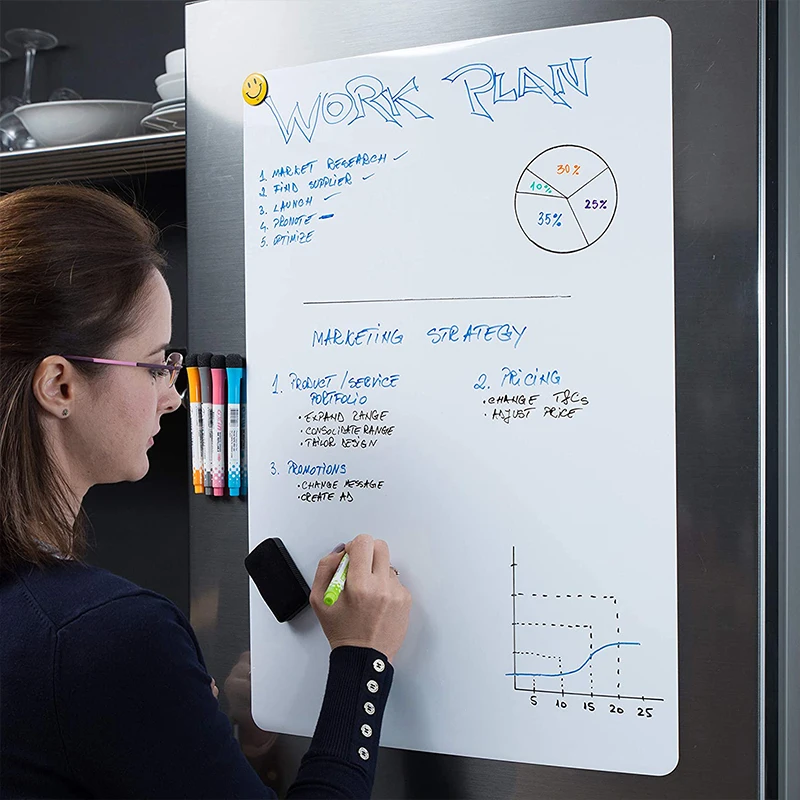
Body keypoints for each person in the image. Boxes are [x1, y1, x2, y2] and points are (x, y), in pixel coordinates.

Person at [0, 185, 412, 799]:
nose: (173, 395)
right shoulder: (106, 634)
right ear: (60, 385)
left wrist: (218, 742)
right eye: (155, 364)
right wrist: (361, 659)